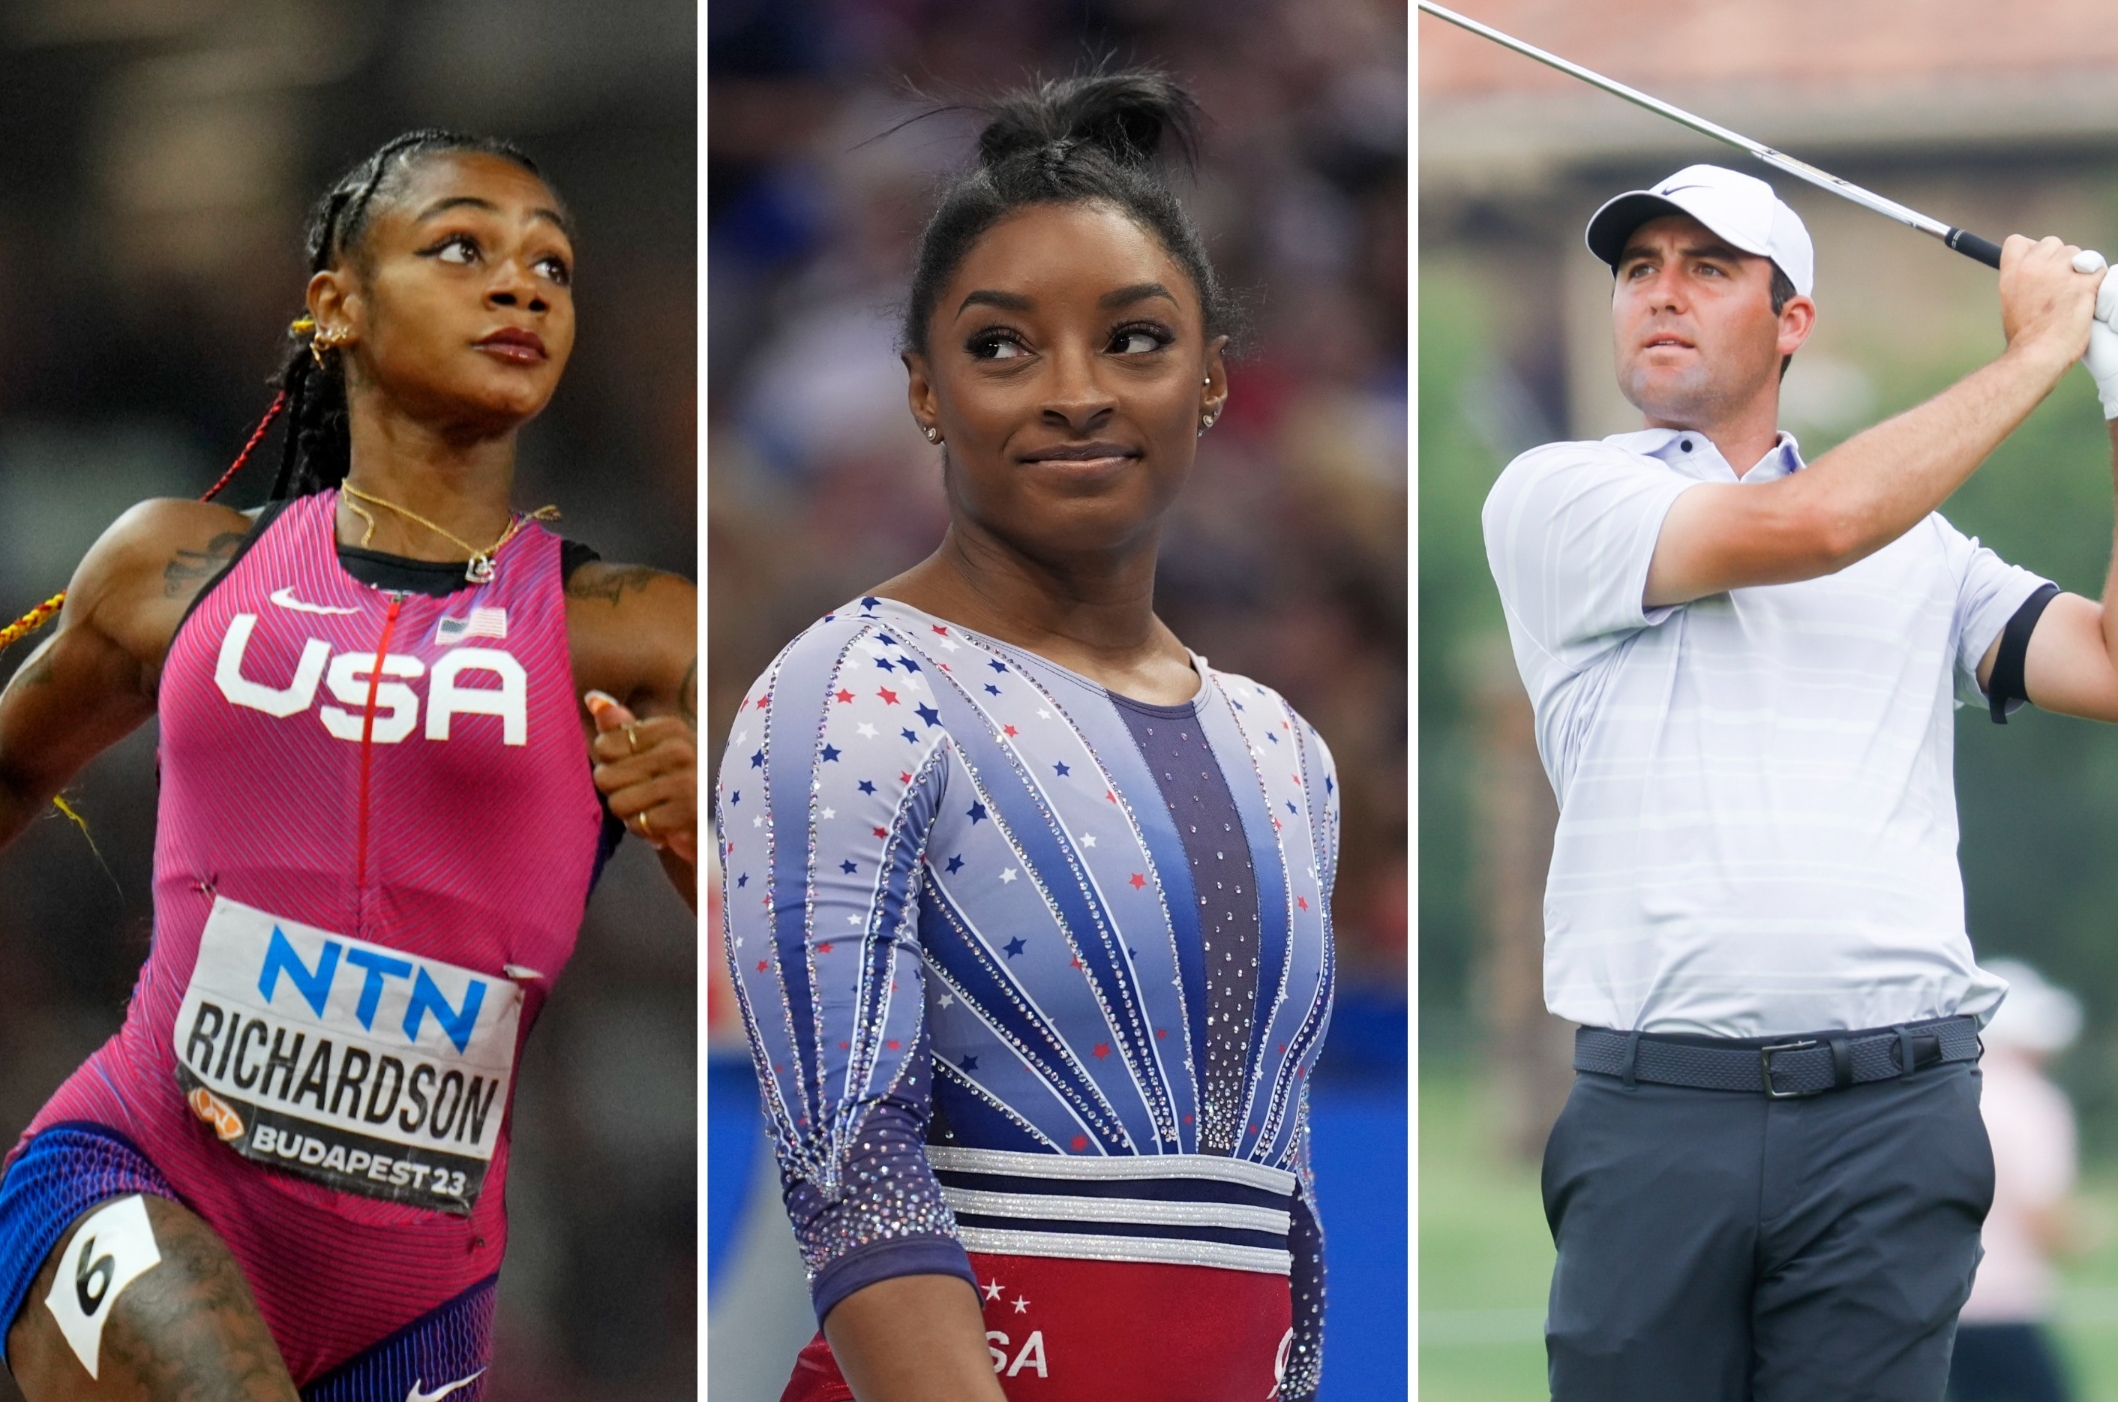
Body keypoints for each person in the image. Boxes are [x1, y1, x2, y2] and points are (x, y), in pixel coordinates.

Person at [0, 130, 697, 1400]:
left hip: (416, 1306)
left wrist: (703, 838)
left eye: (554, 263)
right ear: (338, 305)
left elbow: (793, 957)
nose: (522, 285)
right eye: (462, 248)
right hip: (142, 1175)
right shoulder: (176, 570)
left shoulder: (637, 628)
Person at [717, 71, 1336, 1402]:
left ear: (1213, 380)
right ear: (923, 389)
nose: (1073, 392)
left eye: (1133, 340)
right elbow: (849, 1165)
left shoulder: (1285, 748)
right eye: (1001, 346)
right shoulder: (852, 693)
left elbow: (1284, 1208)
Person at [1481, 160, 2118, 1402]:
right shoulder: (1563, 495)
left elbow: (2108, 660)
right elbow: (1810, 529)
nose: (1661, 294)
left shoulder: (1924, 552)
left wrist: (2116, 386)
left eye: (1709, 269)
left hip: (1896, 1115)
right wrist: (2039, 350)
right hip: (1659, 1109)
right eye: (1638, 270)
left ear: (1792, 323)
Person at [1950, 959, 2086, 1402]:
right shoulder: (2033, 1102)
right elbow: (2040, 1215)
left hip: (1936, 1302)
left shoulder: (1946, 1097)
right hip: (2005, 1305)